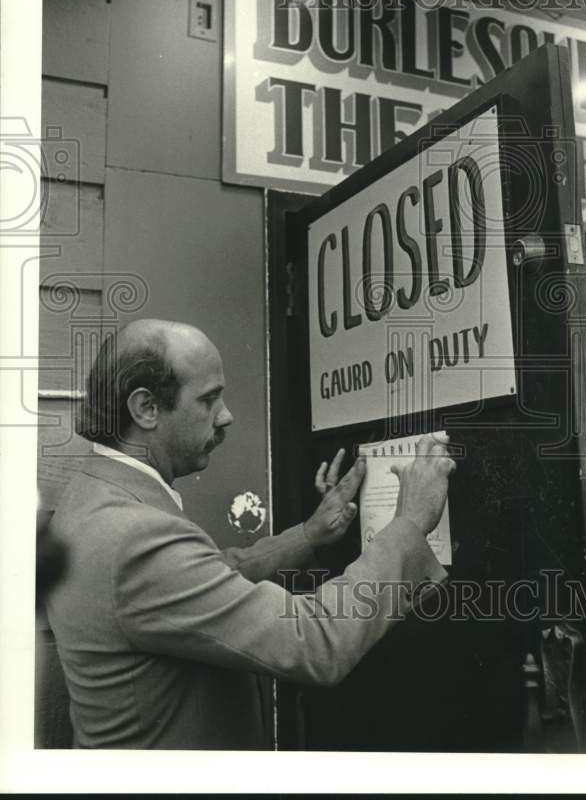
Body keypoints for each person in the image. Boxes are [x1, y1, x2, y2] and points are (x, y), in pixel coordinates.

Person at [44, 318, 454, 749]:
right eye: (209, 400)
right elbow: (315, 641)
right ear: (146, 408)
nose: (227, 416)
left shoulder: (93, 496)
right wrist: (409, 523)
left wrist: (308, 535)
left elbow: (207, 577)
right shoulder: (135, 536)